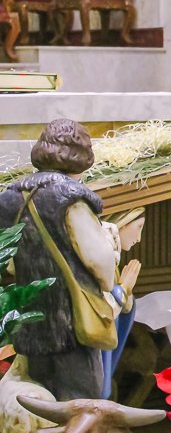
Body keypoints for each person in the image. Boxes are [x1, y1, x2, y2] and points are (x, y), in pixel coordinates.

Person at [0, 120, 116, 401]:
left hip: (31, 319)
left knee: (39, 401)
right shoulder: (71, 197)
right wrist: (108, 284)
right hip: (72, 322)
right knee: (81, 403)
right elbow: (98, 259)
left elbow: (8, 261)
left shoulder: (10, 197)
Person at [99, 207, 144, 400]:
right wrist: (123, 288)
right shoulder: (101, 256)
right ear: (123, 223)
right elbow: (101, 310)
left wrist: (127, 292)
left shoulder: (112, 260)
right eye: (139, 227)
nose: (139, 238)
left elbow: (122, 306)